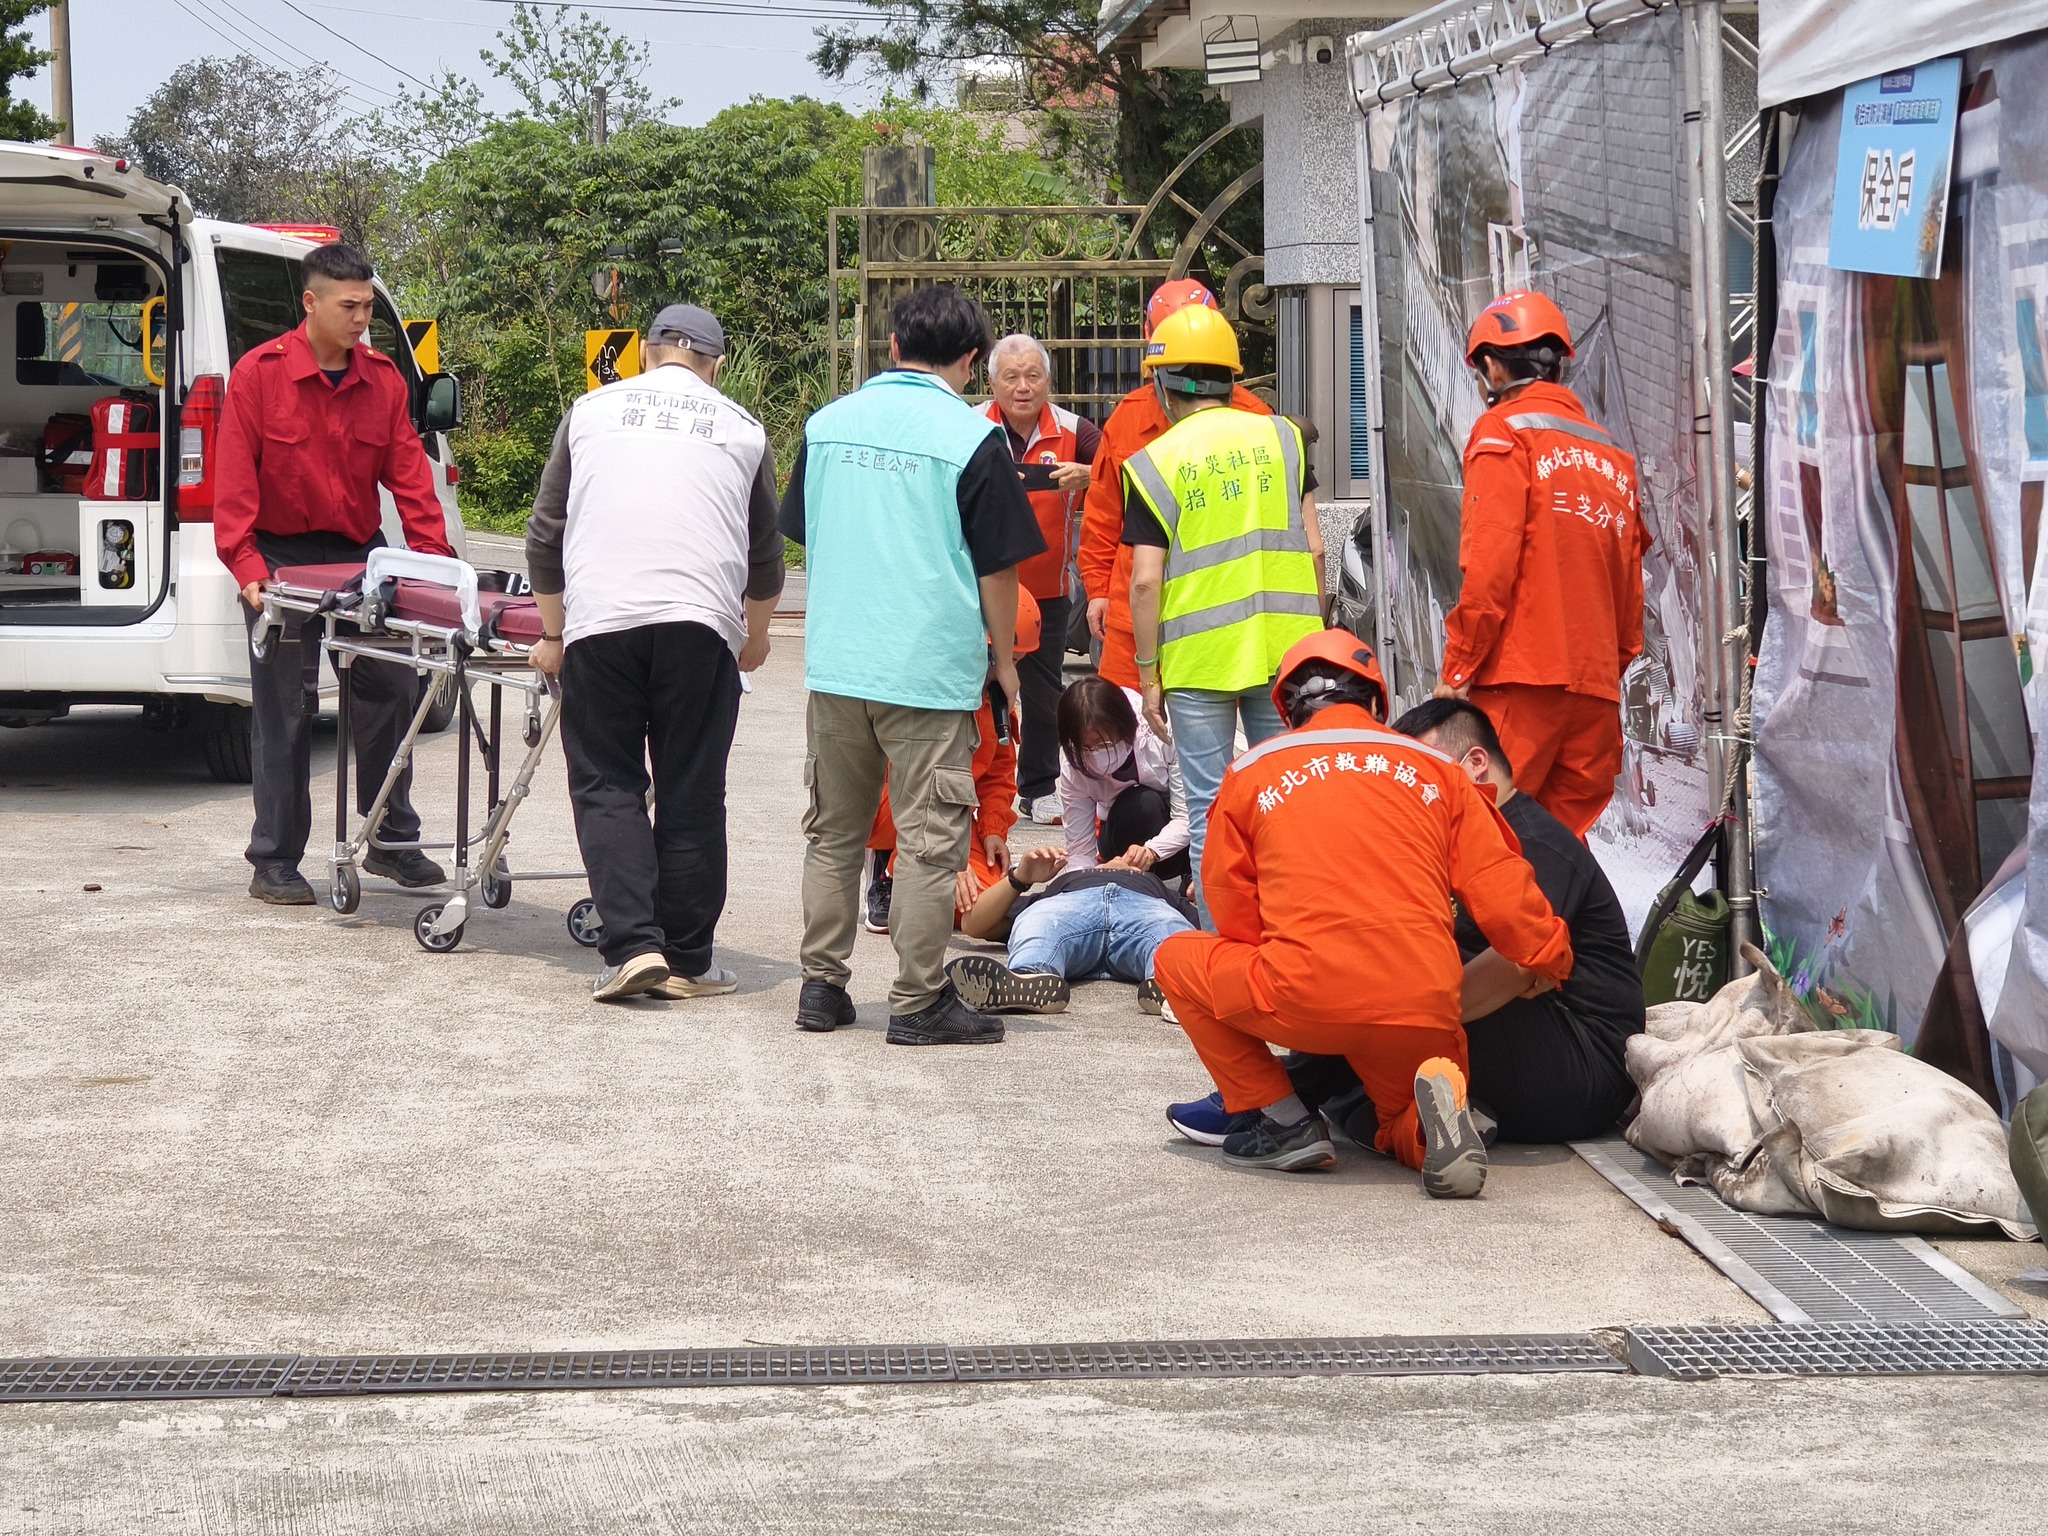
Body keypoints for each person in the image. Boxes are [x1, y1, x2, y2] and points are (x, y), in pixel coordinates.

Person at [1153, 628, 1573, 1195]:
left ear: (1289, 711)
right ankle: (1436, 1120)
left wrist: (1284, 959)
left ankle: (1282, 1123)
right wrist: (1546, 957)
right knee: (1396, 1120)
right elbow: (1499, 884)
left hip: (1303, 991)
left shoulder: (1253, 771)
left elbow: (1229, 903)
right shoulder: (1439, 771)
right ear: (1377, 701)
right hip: (1420, 999)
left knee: (1175, 957)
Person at [1187, 697, 1644, 1148]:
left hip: (1577, 1066)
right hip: (1525, 1044)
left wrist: (1396, 1014)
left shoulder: (1536, 841)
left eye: (1414, 765)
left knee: (1393, 968)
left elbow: (1521, 964)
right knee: (1372, 960)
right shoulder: (1447, 835)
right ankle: (1388, 1111)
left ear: (1475, 763)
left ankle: (1294, 1096)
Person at [779, 285, 1046, 1046]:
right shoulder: (971, 439)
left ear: (892, 348)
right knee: (930, 840)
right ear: (971, 361)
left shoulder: (826, 426)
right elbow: (999, 571)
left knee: (834, 833)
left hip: (837, 664)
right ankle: (917, 1001)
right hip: (927, 673)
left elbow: (804, 529)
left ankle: (821, 989)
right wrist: (1003, 662)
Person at [524, 304, 781, 1003]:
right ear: (716, 364)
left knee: (608, 782)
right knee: (693, 789)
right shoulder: (743, 429)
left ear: (644, 353)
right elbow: (765, 560)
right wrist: (753, 638)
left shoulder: (589, 412)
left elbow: (546, 535)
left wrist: (553, 634)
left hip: (602, 621)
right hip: (701, 626)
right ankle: (691, 960)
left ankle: (634, 946)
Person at [214, 241, 453, 906]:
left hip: (359, 558)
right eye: (349, 306)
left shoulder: (382, 381)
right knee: (285, 713)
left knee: (390, 690)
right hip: (281, 560)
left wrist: (432, 572)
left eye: (368, 306)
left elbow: (413, 485)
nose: (361, 318)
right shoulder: (259, 376)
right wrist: (246, 565)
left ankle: (390, 840)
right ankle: (276, 859)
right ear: (311, 303)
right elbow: (232, 484)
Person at [1123, 303, 1324, 917]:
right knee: (1286, 804)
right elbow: (1315, 547)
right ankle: (1290, 947)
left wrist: (1149, 671)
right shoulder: (1284, 439)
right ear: (1231, 379)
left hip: (1198, 661)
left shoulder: (1156, 462)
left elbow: (1144, 581)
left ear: (1163, 384)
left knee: (1212, 812)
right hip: (1285, 652)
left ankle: (1219, 960)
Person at [1434, 290, 1649, 838]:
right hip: (1594, 696)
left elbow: (1489, 566)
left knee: (1482, 841)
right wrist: (1601, 670)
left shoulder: (1502, 433)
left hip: (1518, 684)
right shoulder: (1611, 457)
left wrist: (1458, 671)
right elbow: (1630, 605)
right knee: (1557, 855)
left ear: (1490, 365)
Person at [1077, 281, 1272, 691]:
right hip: (1137, 620)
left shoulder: (1256, 418)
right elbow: (1102, 517)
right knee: (1125, 737)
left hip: (1222, 618)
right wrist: (1097, 590)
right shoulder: (1128, 422)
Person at [863, 590, 1041, 935]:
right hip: (896, 808)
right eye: (1002, 659)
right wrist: (949, 859)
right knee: (933, 880)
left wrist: (992, 831)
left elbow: (999, 774)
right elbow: (915, 786)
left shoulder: (996, 703)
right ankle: (886, 869)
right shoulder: (921, 691)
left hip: (952, 813)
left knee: (980, 899)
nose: (1007, 671)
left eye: (1016, 662)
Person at [982, 334, 1101, 824]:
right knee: (979, 682)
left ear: (1048, 380)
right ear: (993, 382)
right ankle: (973, 780)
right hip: (982, 584)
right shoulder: (969, 427)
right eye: (1011, 377)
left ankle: (1038, 787)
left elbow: (1122, 474)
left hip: (1048, 588)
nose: (1023, 387)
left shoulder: (1076, 429)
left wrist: (1088, 474)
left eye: (1033, 376)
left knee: (1043, 689)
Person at [945, 842, 1196, 1016]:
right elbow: (974, 924)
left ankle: (1171, 984)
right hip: (1069, 905)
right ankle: (1029, 974)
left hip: (1146, 905)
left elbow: (1214, 929)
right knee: (1039, 925)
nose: (1118, 860)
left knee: (1172, 931)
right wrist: (1020, 877)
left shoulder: (1159, 888)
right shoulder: (1068, 881)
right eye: (1110, 859)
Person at [1053, 675, 1189, 885]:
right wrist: (1085, 880)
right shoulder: (1074, 768)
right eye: (1084, 747)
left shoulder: (1161, 733)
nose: (1094, 753)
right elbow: (1079, 848)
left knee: (1146, 802)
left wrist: (1153, 850)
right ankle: (1131, 881)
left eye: (1102, 743)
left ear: (1123, 727)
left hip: (1178, 839)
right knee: (1136, 805)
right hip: (1119, 839)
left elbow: (1188, 816)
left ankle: (1193, 875)